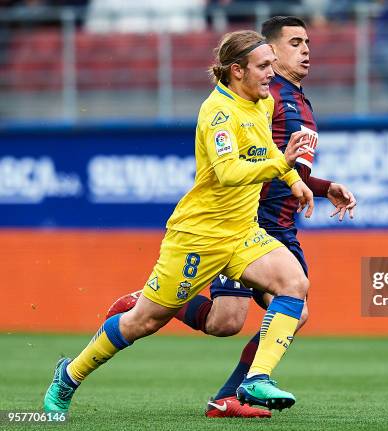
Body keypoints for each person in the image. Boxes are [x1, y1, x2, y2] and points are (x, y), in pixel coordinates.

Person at [43, 29, 319, 414]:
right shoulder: (217, 113)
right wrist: (283, 164)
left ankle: (256, 379)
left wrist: (292, 180)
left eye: (273, 65)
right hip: (197, 237)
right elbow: (228, 172)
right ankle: (68, 375)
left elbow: (265, 146)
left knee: (294, 284)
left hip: (242, 233)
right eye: (264, 66)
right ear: (237, 71)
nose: (272, 73)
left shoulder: (262, 101)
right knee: (141, 323)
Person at [105, 16, 357, 418]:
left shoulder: (293, 98)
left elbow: (284, 163)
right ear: (269, 53)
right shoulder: (259, 94)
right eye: (295, 43)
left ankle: (226, 394)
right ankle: (156, 309)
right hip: (250, 222)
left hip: (280, 221)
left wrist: (321, 187)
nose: (306, 49)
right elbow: (248, 161)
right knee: (255, 316)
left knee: (249, 316)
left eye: (307, 41)